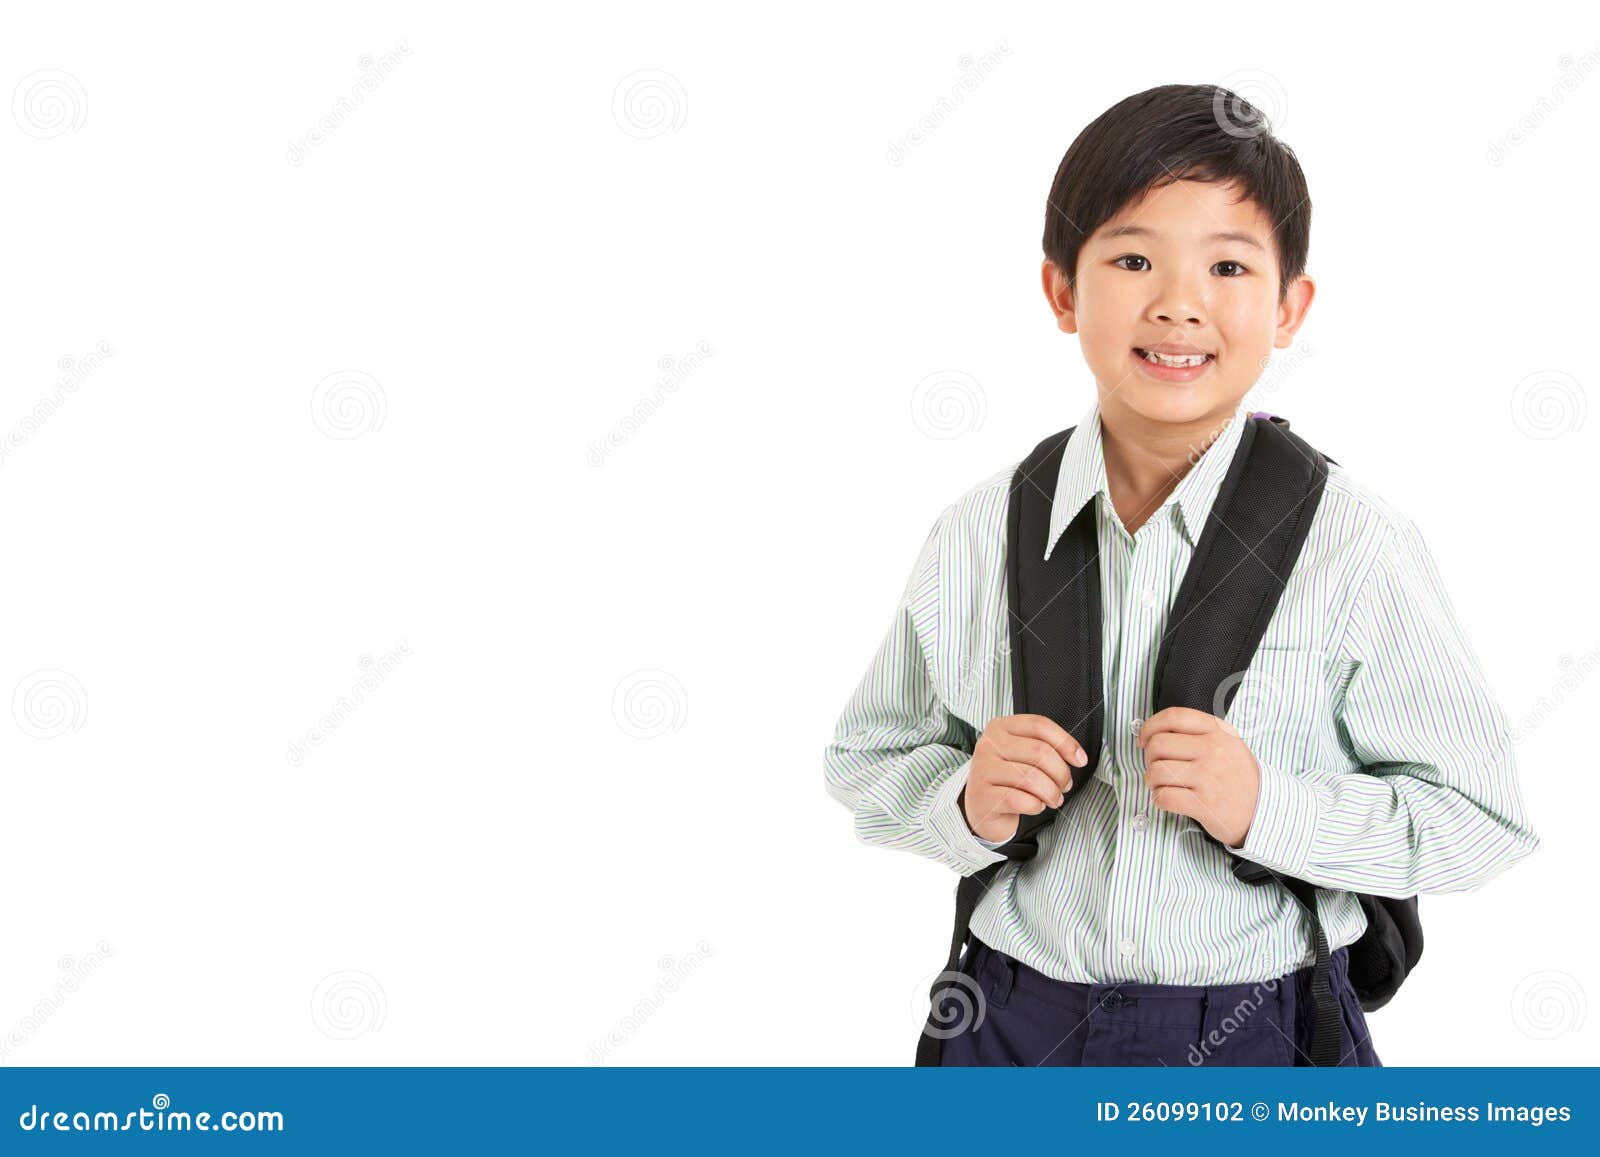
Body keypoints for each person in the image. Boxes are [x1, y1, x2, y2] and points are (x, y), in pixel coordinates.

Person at [823, 83, 1541, 1067]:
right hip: (1009, 1016)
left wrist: (1267, 806)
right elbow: (867, 758)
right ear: (1060, 291)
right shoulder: (977, 531)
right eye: (1130, 258)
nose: (1177, 302)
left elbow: (1482, 817)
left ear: (1290, 306)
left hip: (1263, 1026)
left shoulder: (1355, 544)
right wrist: (964, 801)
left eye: (1228, 265)